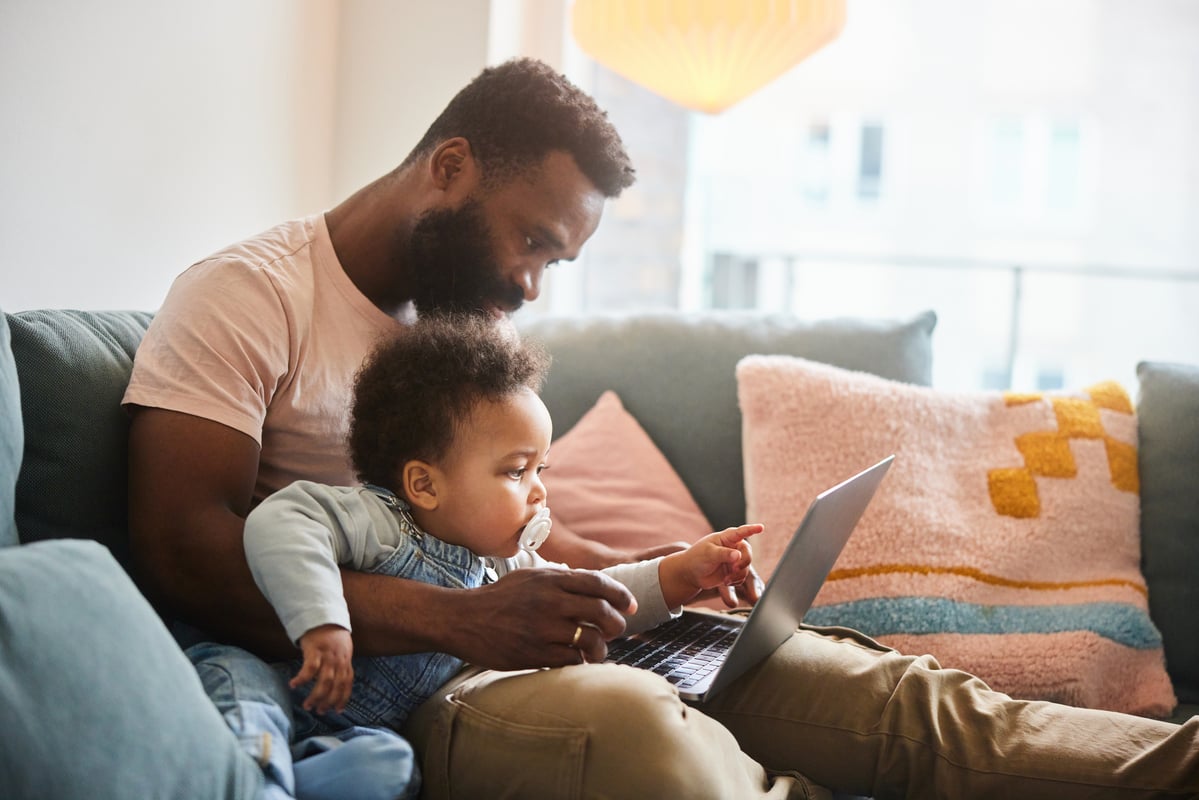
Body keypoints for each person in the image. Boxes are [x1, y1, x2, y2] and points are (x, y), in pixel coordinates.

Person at [124, 57, 1199, 799]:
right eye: (532, 240)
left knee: (891, 691)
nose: (532, 283)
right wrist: (467, 622)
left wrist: (655, 575)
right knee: (649, 731)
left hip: (515, 647)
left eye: (555, 259)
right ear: (448, 167)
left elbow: (518, 548)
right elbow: (183, 548)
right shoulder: (248, 295)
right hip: (405, 692)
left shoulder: (456, 331)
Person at [202, 313, 760, 797]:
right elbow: (283, 519)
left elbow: (593, 596)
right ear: (424, 485)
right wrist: (323, 622)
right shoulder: (380, 521)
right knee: (252, 710)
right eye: (516, 471)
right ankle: (254, 776)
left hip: (350, 728)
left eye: (541, 470)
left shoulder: (506, 566)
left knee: (393, 769)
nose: (539, 492)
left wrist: (679, 575)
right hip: (272, 679)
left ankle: (290, 778)